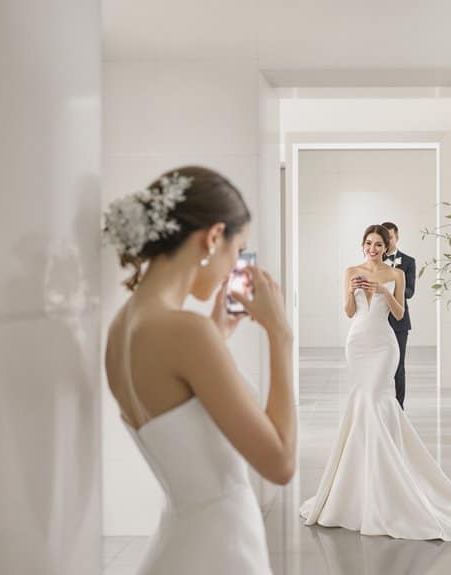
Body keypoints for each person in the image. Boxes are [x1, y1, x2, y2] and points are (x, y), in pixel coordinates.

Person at [103, 166, 294, 574]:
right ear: (212, 237)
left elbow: (176, 408)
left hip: (178, 542)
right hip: (223, 548)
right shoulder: (186, 333)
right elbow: (280, 464)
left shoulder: (122, 327)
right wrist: (281, 336)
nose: (233, 267)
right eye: (236, 249)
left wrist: (214, 334)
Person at [299, 225, 451, 540]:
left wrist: (385, 291)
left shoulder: (396, 275)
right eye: (368, 243)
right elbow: (348, 312)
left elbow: (399, 315)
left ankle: (390, 479)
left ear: (387, 247)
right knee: (363, 404)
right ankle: (359, 484)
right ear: (363, 245)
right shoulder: (351, 271)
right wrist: (350, 292)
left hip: (384, 345)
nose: (373, 248)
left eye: (378, 244)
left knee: (375, 400)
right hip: (357, 344)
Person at [380, 221, 415, 409]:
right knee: (380, 366)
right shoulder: (374, 261)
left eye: (390, 238)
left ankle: (399, 407)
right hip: (377, 321)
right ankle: (381, 405)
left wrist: (394, 289)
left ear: (397, 237)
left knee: (398, 366)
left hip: (399, 322)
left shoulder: (408, 262)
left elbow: (410, 291)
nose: (386, 241)